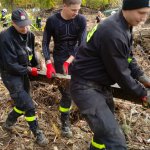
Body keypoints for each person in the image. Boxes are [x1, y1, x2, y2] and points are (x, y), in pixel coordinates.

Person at [70, 0, 150, 149]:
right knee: (115, 141)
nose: (144, 18)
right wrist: (143, 93)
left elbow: (128, 56)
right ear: (128, 8)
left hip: (100, 85)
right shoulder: (113, 32)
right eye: (141, 13)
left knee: (102, 134)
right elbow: (121, 74)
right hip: (85, 87)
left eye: (147, 14)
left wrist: (141, 76)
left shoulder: (125, 25)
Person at [0, 8, 48, 146]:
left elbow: (31, 53)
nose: (25, 28)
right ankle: (37, 133)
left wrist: (39, 65)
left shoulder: (30, 35)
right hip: (11, 75)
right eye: (21, 26)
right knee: (28, 105)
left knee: (22, 103)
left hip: (24, 73)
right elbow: (9, 64)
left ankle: (9, 122)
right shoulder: (4, 38)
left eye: (27, 24)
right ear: (13, 23)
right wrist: (28, 69)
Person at [42, 0, 86, 138]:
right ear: (64, 6)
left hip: (76, 57)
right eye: (73, 10)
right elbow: (45, 42)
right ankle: (65, 122)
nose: (76, 13)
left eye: (78, 9)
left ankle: (80, 112)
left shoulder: (81, 20)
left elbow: (82, 43)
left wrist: (70, 60)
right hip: (60, 57)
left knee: (78, 89)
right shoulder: (52, 21)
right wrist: (48, 62)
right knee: (67, 93)